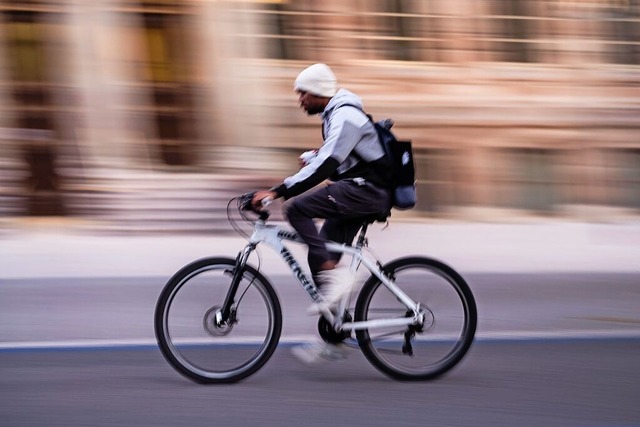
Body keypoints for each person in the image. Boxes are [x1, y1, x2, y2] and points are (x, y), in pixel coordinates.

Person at [251, 63, 391, 363]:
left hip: (366, 190)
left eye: (302, 92)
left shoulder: (345, 115)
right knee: (319, 252)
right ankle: (336, 333)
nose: (299, 99)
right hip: (356, 189)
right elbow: (338, 156)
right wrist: (314, 157)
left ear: (318, 91)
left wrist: (277, 191)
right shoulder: (335, 115)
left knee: (297, 208)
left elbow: (329, 164)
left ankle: (335, 275)